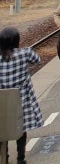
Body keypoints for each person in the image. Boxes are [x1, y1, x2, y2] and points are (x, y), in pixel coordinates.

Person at [0, 27, 43, 164]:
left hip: (2, 99)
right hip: (21, 97)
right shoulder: (24, 53)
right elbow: (38, 60)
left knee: (2, 129)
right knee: (21, 128)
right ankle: (20, 158)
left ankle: (4, 157)